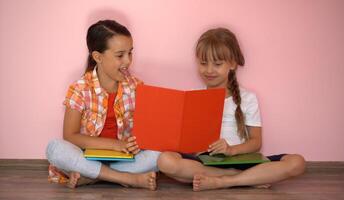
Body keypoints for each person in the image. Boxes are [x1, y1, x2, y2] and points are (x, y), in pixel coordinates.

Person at [157, 27, 306, 191]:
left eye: (217, 64)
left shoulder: (248, 98)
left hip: (241, 159)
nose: (209, 70)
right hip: (205, 162)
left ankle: (224, 181)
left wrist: (231, 150)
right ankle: (242, 179)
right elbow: (183, 142)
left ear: (233, 64)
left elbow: (256, 142)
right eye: (203, 63)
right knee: (165, 160)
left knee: (297, 162)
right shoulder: (192, 97)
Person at [46, 20, 160, 190]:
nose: (128, 61)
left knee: (161, 155)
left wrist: (137, 143)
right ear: (98, 57)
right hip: (87, 158)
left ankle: (93, 176)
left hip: (124, 160)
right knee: (55, 148)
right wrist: (116, 145)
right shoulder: (79, 88)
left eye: (130, 53)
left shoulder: (137, 87)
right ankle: (126, 178)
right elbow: (70, 136)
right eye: (120, 55)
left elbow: (148, 130)